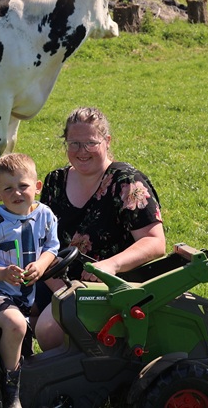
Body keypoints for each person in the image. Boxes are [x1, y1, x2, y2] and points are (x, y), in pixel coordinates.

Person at [34, 107, 166, 350]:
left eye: (90, 143)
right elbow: (41, 241)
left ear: (107, 141)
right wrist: (59, 288)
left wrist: (110, 265)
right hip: (54, 281)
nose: (81, 152)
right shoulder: (54, 182)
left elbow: (155, 242)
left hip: (107, 290)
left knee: (48, 330)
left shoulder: (127, 183)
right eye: (74, 143)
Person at [0, 153, 60, 408]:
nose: (17, 193)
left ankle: (34, 381)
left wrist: (41, 266)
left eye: (23, 186)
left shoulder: (46, 215)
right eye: (8, 188)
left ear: (37, 187)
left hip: (21, 296)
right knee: (17, 325)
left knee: (26, 336)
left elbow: (52, 247)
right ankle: (11, 391)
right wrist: (3, 273)